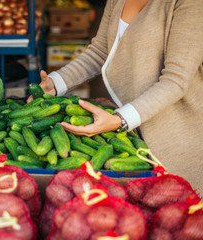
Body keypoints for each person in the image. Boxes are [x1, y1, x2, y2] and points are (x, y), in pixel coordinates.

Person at [30, 0, 203, 195]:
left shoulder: (189, 3)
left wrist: (120, 119)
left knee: (180, 213)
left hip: (177, 134)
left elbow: (176, 79)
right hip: (133, 132)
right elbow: (100, 51)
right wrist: (55, 83)